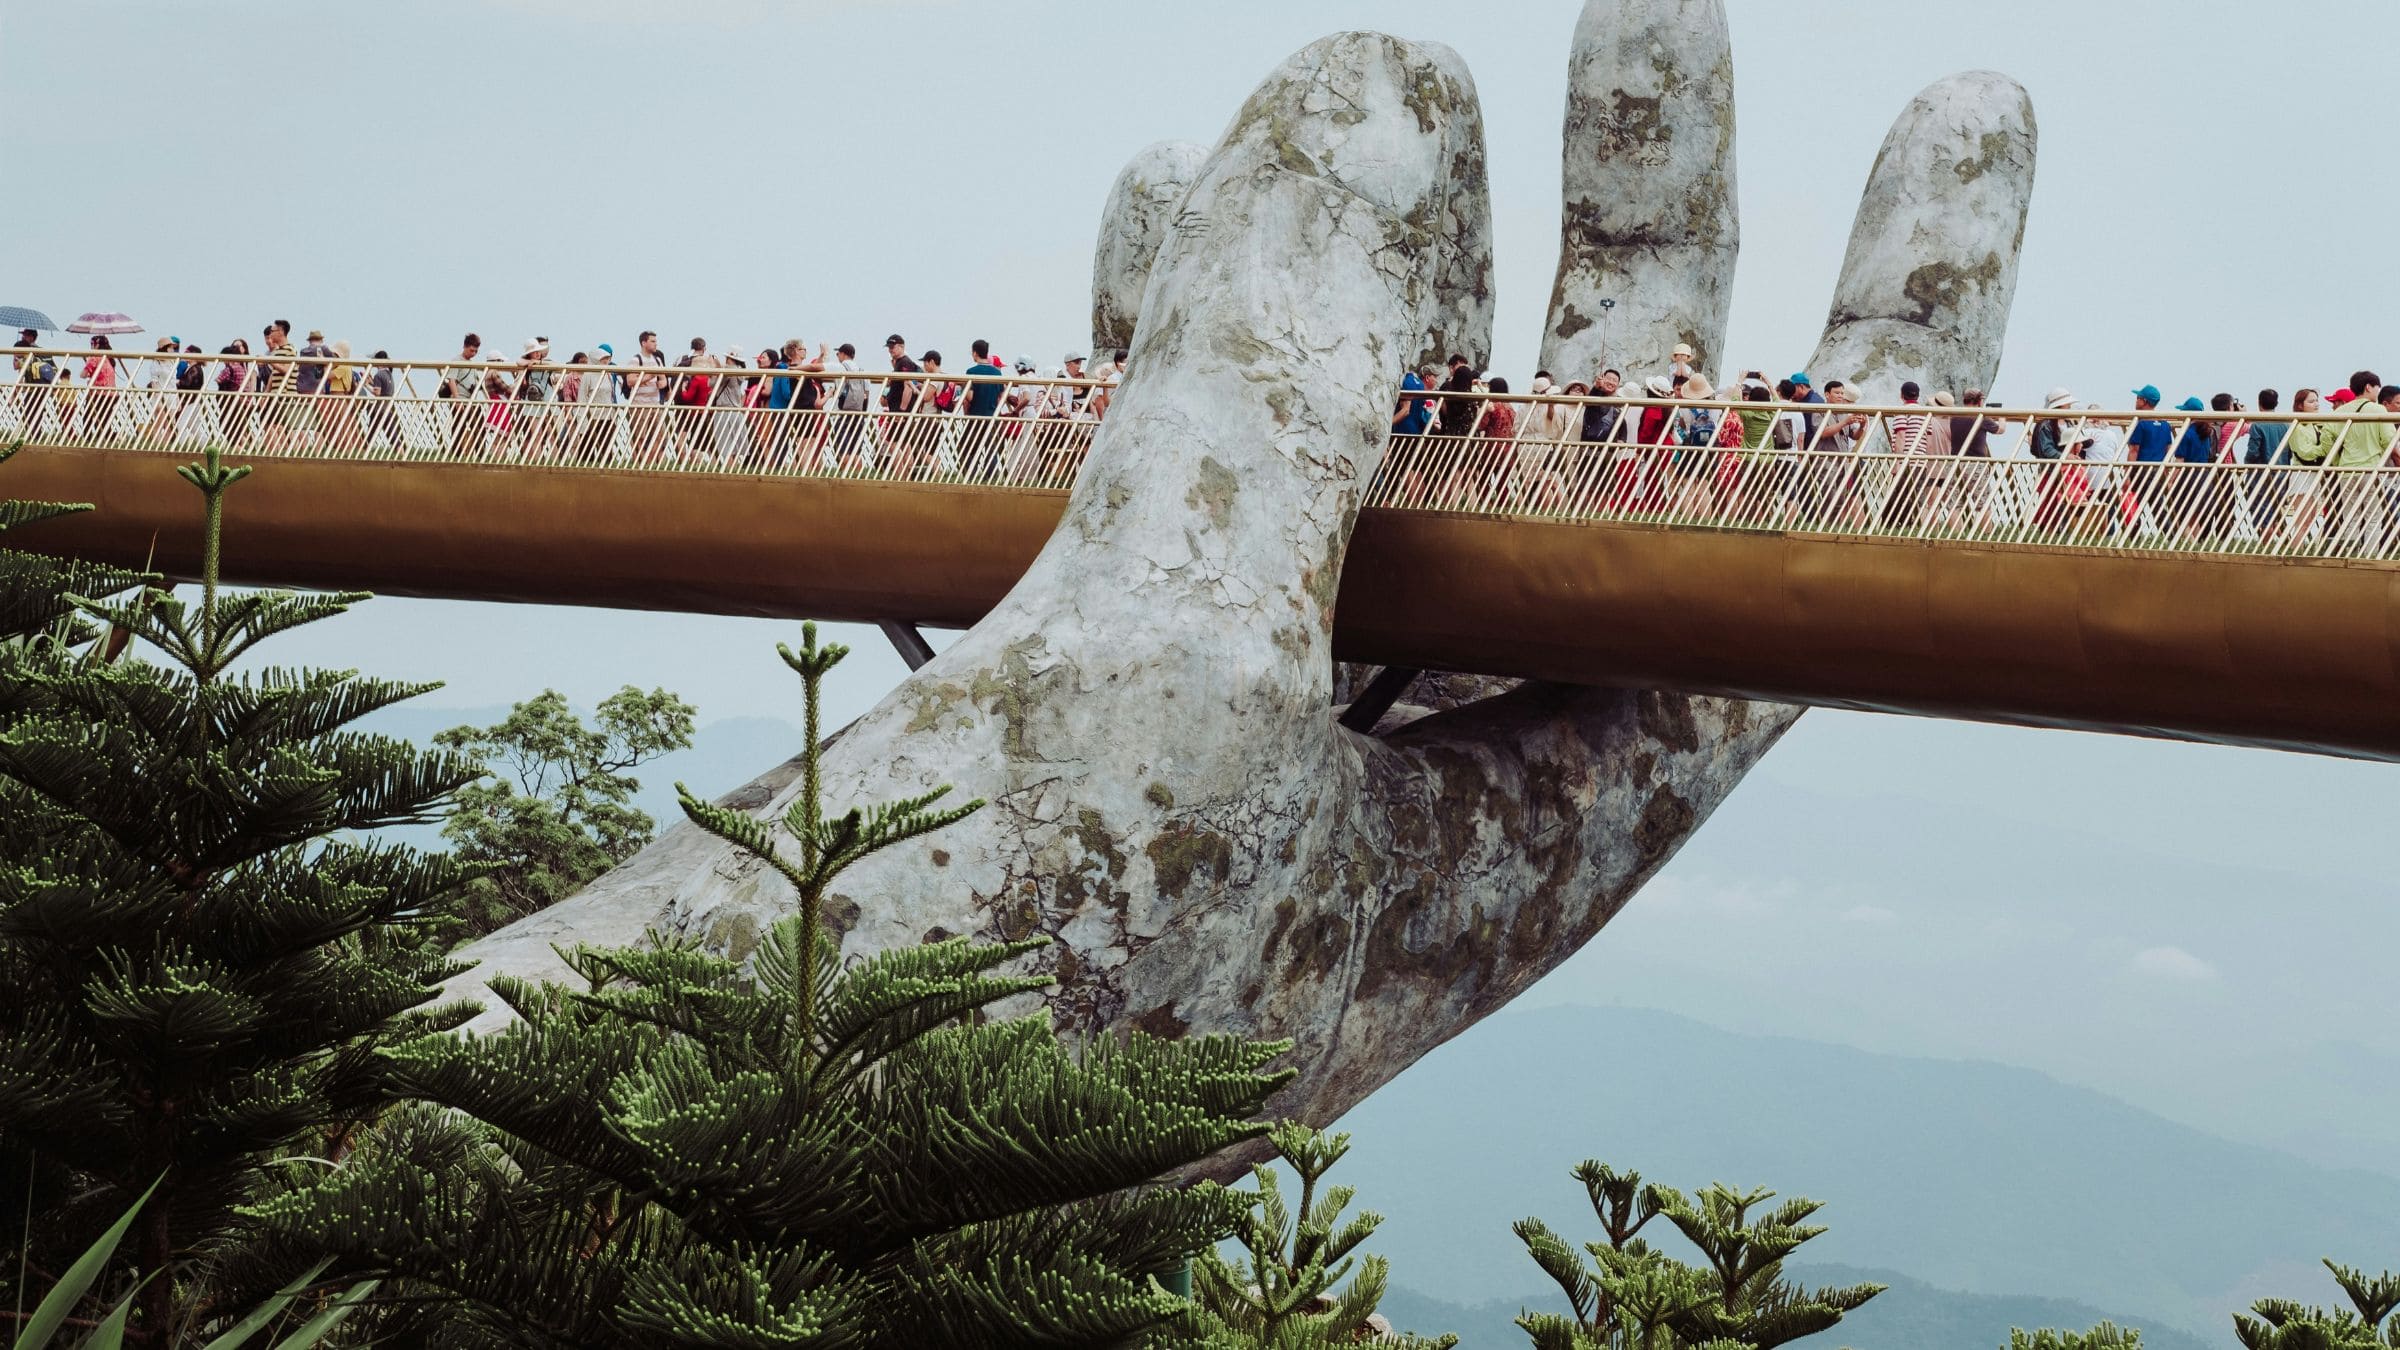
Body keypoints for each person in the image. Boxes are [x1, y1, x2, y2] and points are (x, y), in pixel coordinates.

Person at [2123, 385, 2175, 535]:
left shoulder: (2141, 423)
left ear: (2144, 401)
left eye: (2138, 398)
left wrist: (2126, 475)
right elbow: (2168, 450)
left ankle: (2133, 536)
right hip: (2157, 470)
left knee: (2134, 504)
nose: (2135, 400)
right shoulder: (2165, 425)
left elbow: (2134, 450)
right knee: (2156, 504)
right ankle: (2169, 535)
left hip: (2141, 470)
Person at [296, 328, 333, 396]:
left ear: (309, 341)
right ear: (321, 340)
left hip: (301, 388)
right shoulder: (323, 349)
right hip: (316, 389)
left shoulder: (303, 352)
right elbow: (334, 360)